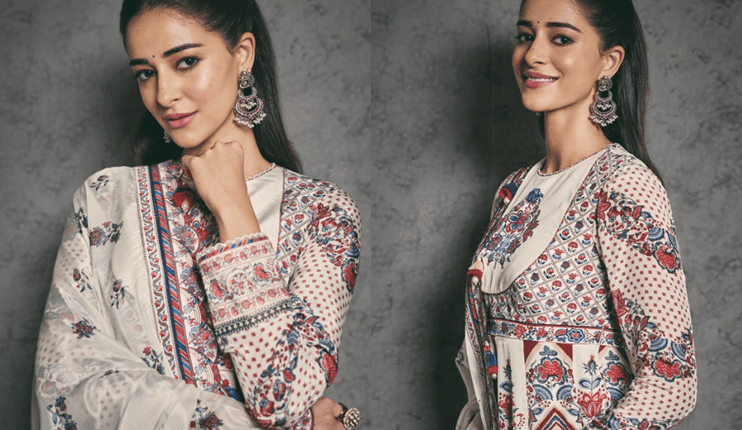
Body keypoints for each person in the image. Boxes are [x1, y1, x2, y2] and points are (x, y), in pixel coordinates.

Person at [31, 1, 362, 429]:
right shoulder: (105, 201)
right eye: (145, 73)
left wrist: (233, 207)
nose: (163, 95)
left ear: (242, 54)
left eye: (185, 62)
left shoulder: (324, 212)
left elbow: (281, 398)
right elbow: (65, 387)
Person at [455, 0, 696, 428]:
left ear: (609, 61)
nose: (532, 53)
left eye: (561, 38)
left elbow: (671, 380)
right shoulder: (513, 191)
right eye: (525, 36)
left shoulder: (622, 185)